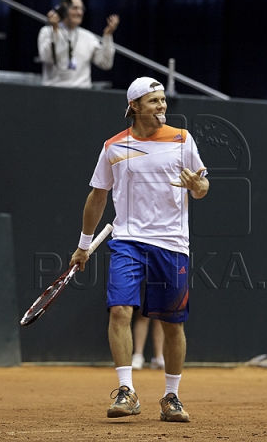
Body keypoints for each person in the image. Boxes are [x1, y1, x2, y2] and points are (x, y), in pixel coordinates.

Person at [69, 77, 209, 422]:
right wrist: (83, 246)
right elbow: (98, 197)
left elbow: (202, 186)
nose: (161, 106)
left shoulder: (182, 139)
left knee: (172, 324)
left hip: (173, 243)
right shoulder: (114, 147)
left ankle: (171, 397)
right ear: (134, 107)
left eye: (163, 100)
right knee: (119, 311)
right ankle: (126, 391)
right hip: (128, 241)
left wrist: (198, 186)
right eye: (153, 101)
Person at [37, 0, 119, 88]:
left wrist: (107, 36)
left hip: (82, 94)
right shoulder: (47, 31)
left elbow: (106, 63)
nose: (79, 12)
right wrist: (55, 30)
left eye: (81, 9)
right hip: (54, 92)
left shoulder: (88, 37)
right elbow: (48, 58)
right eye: (75, 8)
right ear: (64, 10)